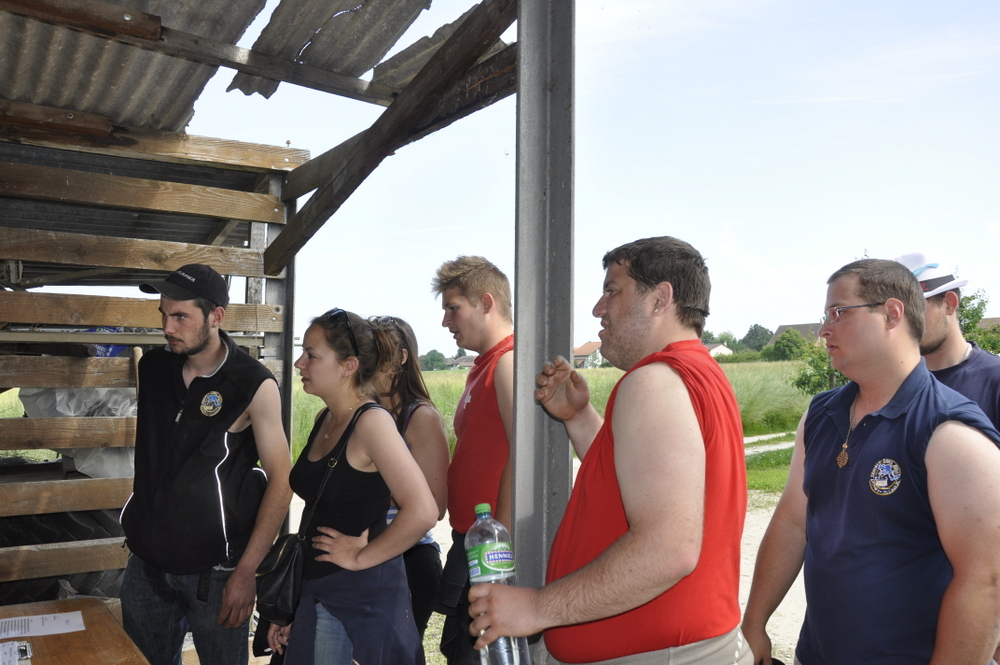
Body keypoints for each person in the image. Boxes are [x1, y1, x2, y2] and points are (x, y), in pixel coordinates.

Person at [469, 236, 752, 664]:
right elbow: (638, 481)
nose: (598, 308)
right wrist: (579, 417)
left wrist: (536, 608)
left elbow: (668, 549)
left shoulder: (654, 381)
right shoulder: (697, 372)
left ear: (660, 299)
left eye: (612, 291)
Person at [742, 259, 1000, 665]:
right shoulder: (820, 415)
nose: (824, 330)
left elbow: (984, 583)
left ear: (892, 314)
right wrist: (754, 622)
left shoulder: (951, 434)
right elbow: (792, 521)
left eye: (838, 312)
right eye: (825, 316)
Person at [121, 264, 293, 665]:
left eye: (181, 316)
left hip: (216, 573)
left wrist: (247, 571)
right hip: (146, 564)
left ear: (216, 316)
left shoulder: (252, 384)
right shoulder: (154, 368)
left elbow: (282, 481)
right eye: (164, 314)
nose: (168, 327)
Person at [266, 308, 437, 665]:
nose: (299, 363)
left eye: (311, 355)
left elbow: (423, 511)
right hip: (316, 590)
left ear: (349, 366)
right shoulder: (326, 417)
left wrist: (362, 556)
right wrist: (292, 606)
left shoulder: (372, 423)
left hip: (353, 598)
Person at [430, 256, 514, 665]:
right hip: (470, 540)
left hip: (491, 549)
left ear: (486, 302)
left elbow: (524, 457)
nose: (446, 321)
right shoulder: (481, 368)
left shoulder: (509, 363)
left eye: (453, 308)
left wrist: (503, 549)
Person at [369, 315, 450, 640]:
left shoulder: (420, 418)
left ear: (401, 357)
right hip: (364, 556)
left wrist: (369, 481)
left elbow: (436, 507)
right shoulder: (361, 414)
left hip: (409, 561)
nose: (367, 361)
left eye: (378, 352)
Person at [894, 251, 1000, 427]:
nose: (903, 322)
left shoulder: (994, 379)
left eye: (914, 309)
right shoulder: (892, 383)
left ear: (949, 303)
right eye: (896, 312)